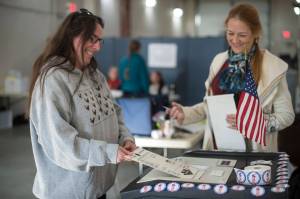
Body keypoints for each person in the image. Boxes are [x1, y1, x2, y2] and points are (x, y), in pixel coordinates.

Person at [27, 8, 136, 199]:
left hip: (96, 189)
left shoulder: (95, 75)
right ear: (72, 37)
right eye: (92, 39)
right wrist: (108, 152)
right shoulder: (54, 80)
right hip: (67, 192)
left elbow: (114, 113)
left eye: (99, 40)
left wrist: (125, 139)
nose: (97, 47)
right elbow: (61, 143)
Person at [168, 3, 295, 152]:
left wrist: (255, 123)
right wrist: (186, 113)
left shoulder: (273, 67)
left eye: (242, 35)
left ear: (256, 34)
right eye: (230, 33)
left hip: (254, 158)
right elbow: (210, 105)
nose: (235, 40)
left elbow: (287, 116)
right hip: (217, 150)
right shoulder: (219, 61)